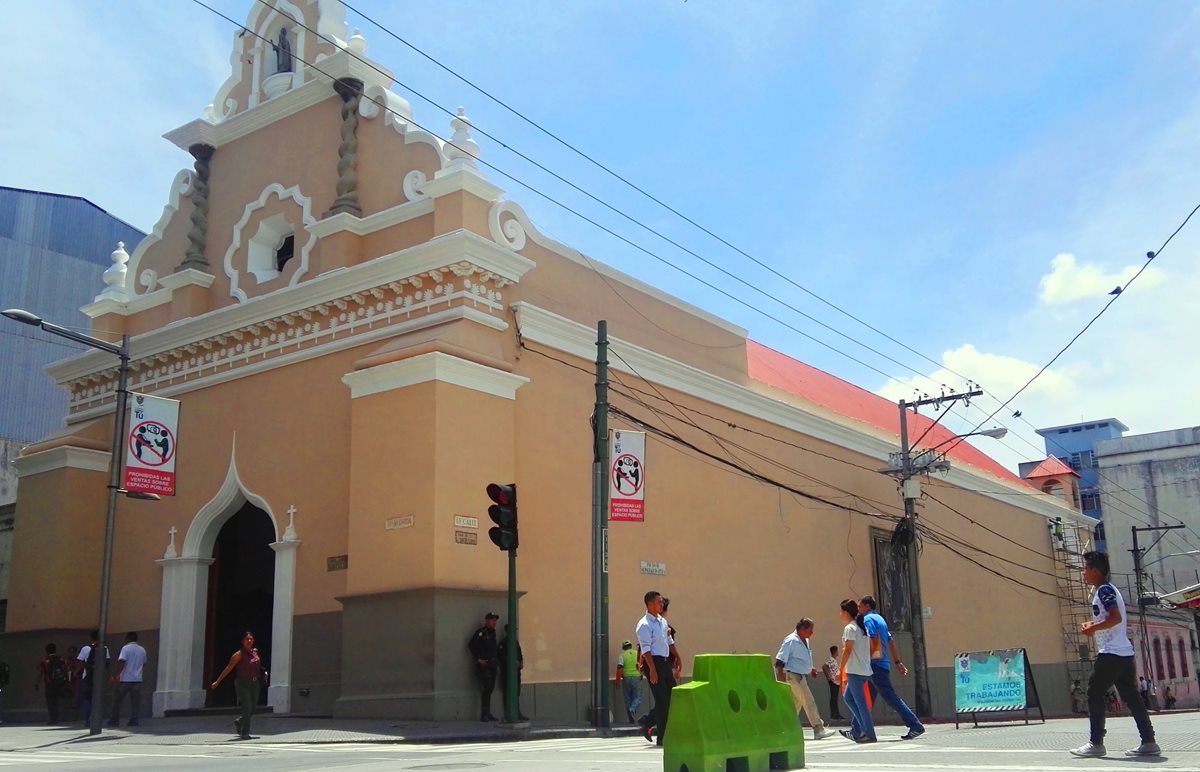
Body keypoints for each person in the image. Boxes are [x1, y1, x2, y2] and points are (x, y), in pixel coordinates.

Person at [1070, 551, 1158, 758]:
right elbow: (1111, 619)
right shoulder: (1109, 590)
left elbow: (1115, 618)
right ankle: (1149, 741)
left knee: (1094, 693)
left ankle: (1096, 743)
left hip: (1111, 653)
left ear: (1095, 571)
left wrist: (1093, 629)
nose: (1083, 573)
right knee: (1132, 698)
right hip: (1124, 653)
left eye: (1085, 569)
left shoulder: (1104, 590)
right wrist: (1093, 624)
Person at [858, 595, 924, 740]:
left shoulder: (868, 619)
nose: (858, 609)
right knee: (866, 698)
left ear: (867, 606)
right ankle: (857, 729)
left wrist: (867, 658)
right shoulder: (880, 619)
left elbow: (872, 638)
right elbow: (891, 641)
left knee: (890, 697)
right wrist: (897, 662)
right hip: (883, 664)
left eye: (860, 606)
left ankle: (915, 725)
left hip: (875, 665)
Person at [774, 619, 835, 740]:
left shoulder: (805, 641)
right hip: (793, 676)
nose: (812, 633)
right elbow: (779, 662)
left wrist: (810, 668)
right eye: (810, 630)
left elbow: (801, 659)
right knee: (808, 701)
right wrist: (781, 681)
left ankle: (785, 729)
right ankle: (818, 729)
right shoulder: (791, 640)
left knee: (795, 705)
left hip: (801, 676)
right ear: (802, 628)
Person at [210, 631, 268, 740]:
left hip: (255, 683)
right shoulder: (238, 655)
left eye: (251, 639)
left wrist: (264, 673)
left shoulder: (255, 652)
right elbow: (229, 668)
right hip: (242, 683)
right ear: (242, 641)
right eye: (247, 639)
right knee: (247, 707)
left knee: (253, 708)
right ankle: (245, 732)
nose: (249, 641)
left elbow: (259, 666)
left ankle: (239, 721)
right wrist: (217, 681)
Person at [636, 590, 675, 746]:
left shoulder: (662, 621)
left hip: (664, 662)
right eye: (659, 602)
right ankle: (662, 737)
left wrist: (678, 658)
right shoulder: (644, 624)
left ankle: (649, 723)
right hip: (653, 662)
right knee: (662, 701)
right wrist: (652, 669)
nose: (662, 604)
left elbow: (669, 641)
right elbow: (646, 649)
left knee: (674, 697)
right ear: (650, 604)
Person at [837, 599, 875, 743]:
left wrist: (840, 670)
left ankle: (869, 734)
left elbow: (847, 650)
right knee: (849, 698)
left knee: (861, 704)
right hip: (864, 669)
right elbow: (870, 647)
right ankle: (860, 729)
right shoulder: (861, 627)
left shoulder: (850, 628)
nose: (840, 614)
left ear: (846, 612)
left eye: (841, 611)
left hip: (855, 671)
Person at [108, 632, 147, 727]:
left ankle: (114, 719)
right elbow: (144, 663)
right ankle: (134, 720)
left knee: (117, 700)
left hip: (125, 679)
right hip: (137, 679)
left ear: (128, 638)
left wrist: (116, 675)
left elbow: (122, 661)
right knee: (135, 702)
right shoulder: (142, 650)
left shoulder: (125, 648)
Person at [467, 613, 500, 721]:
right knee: (487, 688)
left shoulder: (493, 633)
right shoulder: (481, 632)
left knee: (490, 689)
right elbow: (471, 645)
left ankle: (488, 712)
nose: (494, 622)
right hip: (484, 666)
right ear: (486, 621)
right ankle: (484, 714)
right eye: (492, 620)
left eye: (495, 620)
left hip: (492, 665)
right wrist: (478, 659)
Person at [74, 630, 109, 725]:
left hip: (87, 676)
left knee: (86, 698)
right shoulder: (105, 648)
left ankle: (89, 718)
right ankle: (96, 717)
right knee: (97, 698)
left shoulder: (86, 648)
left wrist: (76, 672)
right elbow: (107, 663)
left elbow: (80, 662)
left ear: (91, 638)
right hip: (99, 678)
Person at [497, 624, 528, 721]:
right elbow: (502, 657)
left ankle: (517, 712)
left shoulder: (515, 642)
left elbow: (519, 653)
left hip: (516, 672)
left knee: (516, 692)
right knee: (508, 692)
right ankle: (509, 713)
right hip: (507, 673)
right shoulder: (504, 643)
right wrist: (513, 662)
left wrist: (521, 662)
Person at [36, 643, 70, 724]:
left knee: (51, 701)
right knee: (60, 700)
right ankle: (60, 717)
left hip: (50, 684)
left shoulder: (45, 661)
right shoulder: (61, 659)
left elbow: (41, 673)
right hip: (61, 682)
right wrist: (68, 680)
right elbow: (67, 669)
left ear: (47, 651)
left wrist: (37, 683)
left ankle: (53, 718)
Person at [615, 640, 643, 724]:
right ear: (630, 646)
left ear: (623, 647)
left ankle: (630, 716)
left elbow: (619, 668)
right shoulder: (637, 654)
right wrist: (641, 674)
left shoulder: (622, 656)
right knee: (638, 697)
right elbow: (641, 665)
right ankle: (632, 709)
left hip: (626, 678)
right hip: (637, 677)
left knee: (628, 698)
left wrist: (617, 680)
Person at [822, 645, 844, 720]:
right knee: (833, 698)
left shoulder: (834, 660)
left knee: (835, 698)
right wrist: (829, 677)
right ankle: (834, 714)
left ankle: (836, 713)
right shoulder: (832, 660)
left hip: (836, 682)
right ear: (835, 651)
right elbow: (824, 666)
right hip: (833, 682)